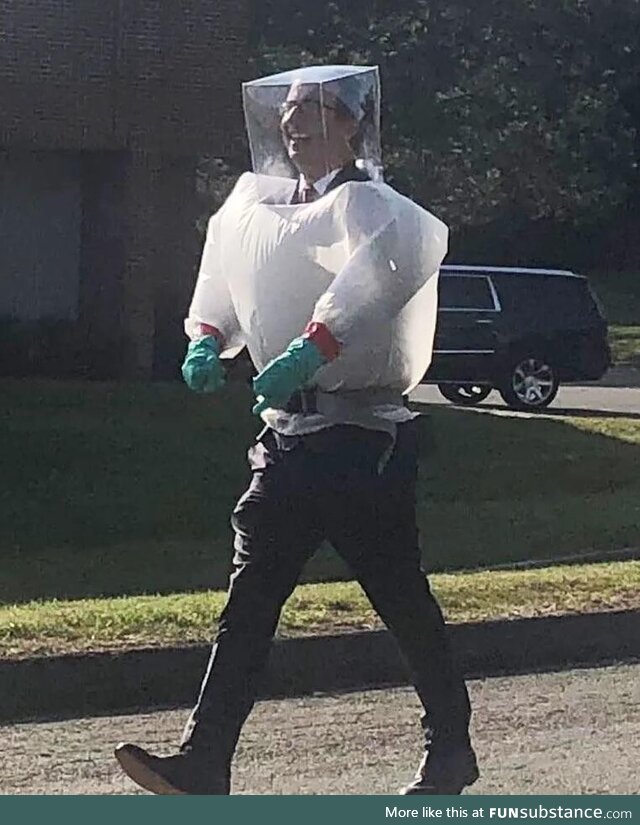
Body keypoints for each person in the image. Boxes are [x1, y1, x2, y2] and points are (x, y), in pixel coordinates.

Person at [115, 65, 478, 796]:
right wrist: (205, 335)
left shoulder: (375, 207)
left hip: (361, 442)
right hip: (287, 437)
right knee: (250, 598)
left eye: (312, 110)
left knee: (400, 598)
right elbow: (227, 271)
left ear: (349, 122)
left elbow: (376, 280)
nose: (293, 125)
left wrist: (315, 346)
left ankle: (450, 750)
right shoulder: (261, 206)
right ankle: (205, 758)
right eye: (286, 112)